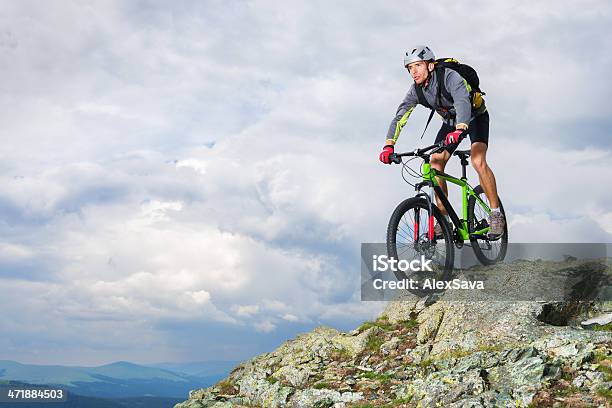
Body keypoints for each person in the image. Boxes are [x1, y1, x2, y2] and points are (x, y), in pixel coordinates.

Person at [379, 45, 505, 238]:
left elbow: (462, 101)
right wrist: (389, 145)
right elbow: (400, 116)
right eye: (410, 68)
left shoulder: (449, 77)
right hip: (450, 123)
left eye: (418, 65)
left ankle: (495, 214)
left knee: (478, 161)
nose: (413, 71)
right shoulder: (416, 90)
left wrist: (461, 128)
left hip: (474, 118)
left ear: (430, 65)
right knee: (435, 163)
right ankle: (444, 220)